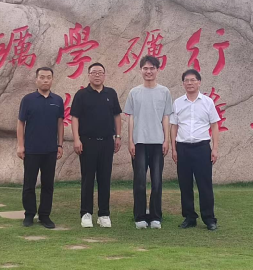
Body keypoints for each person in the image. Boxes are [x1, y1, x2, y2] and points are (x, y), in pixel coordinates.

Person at [71, 63, 122, 228]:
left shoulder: (111, 93)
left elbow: (117, 116)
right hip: (87, 142)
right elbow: (75, 118)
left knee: (104, 178)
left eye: (100, 72)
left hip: (107, 142)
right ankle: (86, 213)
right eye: (94, 72)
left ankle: (104, 214)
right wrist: (76, 139)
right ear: (88, 75)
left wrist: (118, 136)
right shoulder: (81, 95)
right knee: (87, 179)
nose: (97, 75)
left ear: (105, 75)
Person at [124, 55, 172, 229]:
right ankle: (140, 216)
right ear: (140, 70)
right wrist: (130, 141)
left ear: (157, 70)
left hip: (158, 142)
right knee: (139, 181)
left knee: (157, 181)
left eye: (152, 68)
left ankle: (156, 216)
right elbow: (131, 118)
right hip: (139, 142)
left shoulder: (164, 92)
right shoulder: (134, 92)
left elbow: (166, 117)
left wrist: (166, 140)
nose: (148, 71)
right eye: (145, 68)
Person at [170, 69, 220, 231]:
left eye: (193, 80)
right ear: (183, 84)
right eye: (186, 80)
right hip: (183, 148)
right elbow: (174, 126)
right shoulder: (178, 103)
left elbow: (214, 125)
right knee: (185, 185)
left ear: (199, 82)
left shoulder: (207, 102)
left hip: (202, 147)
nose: (189, 83)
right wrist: (174, 149)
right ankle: (189, 217)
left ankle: (209, 218)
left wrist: (215, 148)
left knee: (205, 185)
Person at [16, 67, 64, 229]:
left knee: (48, 185)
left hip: (50, 150)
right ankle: (29, 214)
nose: (45, 80)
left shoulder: (57, 100)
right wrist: (20, 145)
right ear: (36, 80)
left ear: (52, 80)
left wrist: (60, 144)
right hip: (31, 149)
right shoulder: (28, 100)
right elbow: (21, 123)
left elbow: (60, 124)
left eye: (48, 77)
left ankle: (45, 215)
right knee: (29, 184)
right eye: (42, 77)